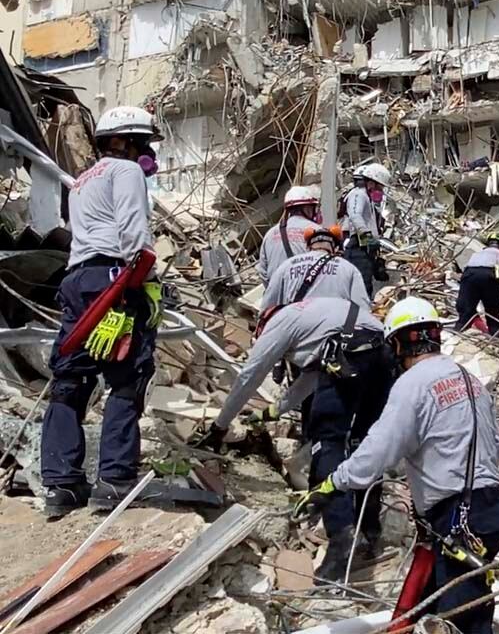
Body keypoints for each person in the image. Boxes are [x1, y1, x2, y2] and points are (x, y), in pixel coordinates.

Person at [295, 296, 499, 634]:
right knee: (424, 607)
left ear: (397, 344)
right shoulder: (470, 381)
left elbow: (378, 451)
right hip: (493, 510)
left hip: (459, 519)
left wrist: (332, 484)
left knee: (460, 622)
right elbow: (494, 444)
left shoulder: (412, 385)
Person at [191, 297, 396, 581]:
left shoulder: (278, 322)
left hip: (349, 354)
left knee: (328, 442)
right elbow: (308, 381)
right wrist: (270, 413)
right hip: (382, 351)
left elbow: (250, 374)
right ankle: (369, 529)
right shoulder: (317, 318)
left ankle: (341, 539)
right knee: (366, 442)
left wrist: (220, 426)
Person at [42, 106, 164, 518]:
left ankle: (61, 484)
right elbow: (133, 229)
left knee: (69, 379)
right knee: (127, 376)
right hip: (115, 275)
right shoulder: (125, 171)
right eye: (145, 143)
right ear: (127, 141)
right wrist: (140, 277)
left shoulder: (81, 181)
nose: (148, 152)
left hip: (77, 278)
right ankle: (114, 481)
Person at [260, 225, 371, 311]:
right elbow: (362, 308)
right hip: (333, 332)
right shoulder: (348, 268)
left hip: (295, 331)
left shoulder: (286, 266)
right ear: (336, 248)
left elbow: (267, 306)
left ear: (308, 247)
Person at [455, 232, 499, 338]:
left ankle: (457, 335)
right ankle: (497, 341)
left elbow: (465, 276)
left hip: (469, 275)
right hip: (489, 276)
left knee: (466, 312)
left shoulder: (477, 255)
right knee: (493, 314)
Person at [342, 163, 391, 297]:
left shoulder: (368, 199)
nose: (380, 190)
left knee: (366, 286)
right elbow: (355, 215)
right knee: (361, 289)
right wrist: (367, 237)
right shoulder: (358, 195)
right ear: (372, 182)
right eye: (380, 186)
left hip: (365, 250)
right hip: (358, 249)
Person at [258, 186, 321, 286]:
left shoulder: (270, 234)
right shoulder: (317, 231)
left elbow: (263, 272)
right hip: (309, 295)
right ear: (307, 208)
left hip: (279, 295)